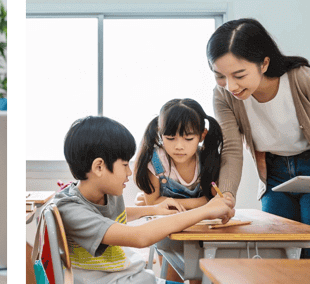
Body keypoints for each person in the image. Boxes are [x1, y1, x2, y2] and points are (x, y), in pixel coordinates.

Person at [54, 116, 234, 284]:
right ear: (99, 166)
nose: (129, 172)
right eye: (125, 165)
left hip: (132, 276)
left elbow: (108, 217)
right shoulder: (69, 209)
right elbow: (140, 237)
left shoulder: (103, 194)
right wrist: (205, 210)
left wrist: (153, 210)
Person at [207, 18, 310, 257]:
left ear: (264, 63)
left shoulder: (302, 79)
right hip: (274, 173)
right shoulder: (224, 96)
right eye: (219, 75)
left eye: (239, 75)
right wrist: (227, 195)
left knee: (306, 247)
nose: (230, 85)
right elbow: (232, 148)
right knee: (275, 247)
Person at [134, 98, 224, 210]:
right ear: (160, 133)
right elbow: (152, 203)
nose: (179, 146)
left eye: (189, 138)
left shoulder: (208, 158)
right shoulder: (156, 161)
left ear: (202, 135)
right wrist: (203, 202)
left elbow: (216, 199)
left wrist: (166, 203)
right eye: (170, 138)